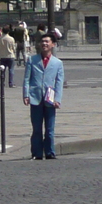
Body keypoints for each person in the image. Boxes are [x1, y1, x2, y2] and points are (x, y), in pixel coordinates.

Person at [24, 32, 64, 160]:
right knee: (36, 129)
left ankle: (50, 152)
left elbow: (59, 82)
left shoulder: (58, 63)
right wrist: (26, 94)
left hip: (50, 99)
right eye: (43, 41)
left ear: (53, 44)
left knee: (50, 129)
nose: (44, 44)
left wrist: (57, 99)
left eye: (47, 41)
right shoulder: (32, 60)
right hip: (35, 97)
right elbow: (26, 79)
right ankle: (36, 153)